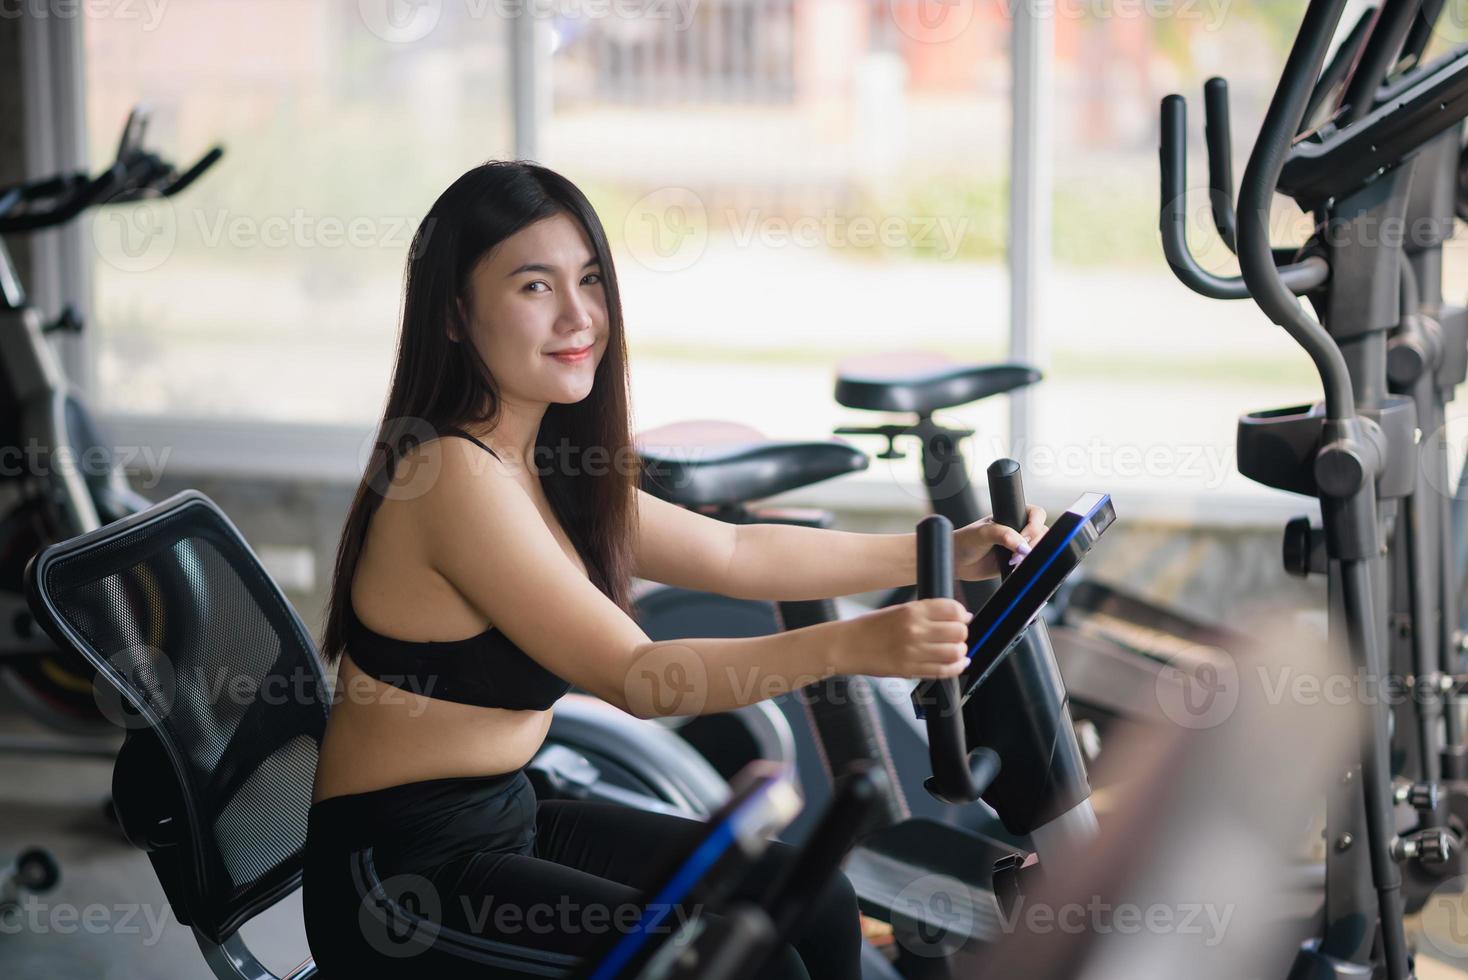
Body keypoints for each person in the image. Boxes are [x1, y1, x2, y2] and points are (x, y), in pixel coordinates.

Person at [301, 160, 1048, 978]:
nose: (580, 315)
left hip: (511, 812)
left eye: (589, 279)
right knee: (752, 966)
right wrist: (858, 644)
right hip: (401, 880)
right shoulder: (450, 478)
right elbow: (639, 676)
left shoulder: (542, 458)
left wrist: (943, 549)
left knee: (813, 905)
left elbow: (733, 549)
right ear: (454, 313)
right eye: (534, 288)